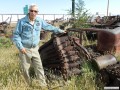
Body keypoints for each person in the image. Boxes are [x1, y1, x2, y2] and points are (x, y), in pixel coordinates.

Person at [12, 4, 66, 87]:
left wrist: (59, 30)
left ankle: (43, 85)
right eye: (31, 11)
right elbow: (16, 35)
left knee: (39, 67)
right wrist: (20, 47)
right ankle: (27, 85)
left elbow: (48, 27)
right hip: (25, 49)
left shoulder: (39, 21)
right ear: (29, 11)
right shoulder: (22, 21)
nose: (33, 13)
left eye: (35, 11)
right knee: (25, 69)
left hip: (35, 49)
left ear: (37, 12)